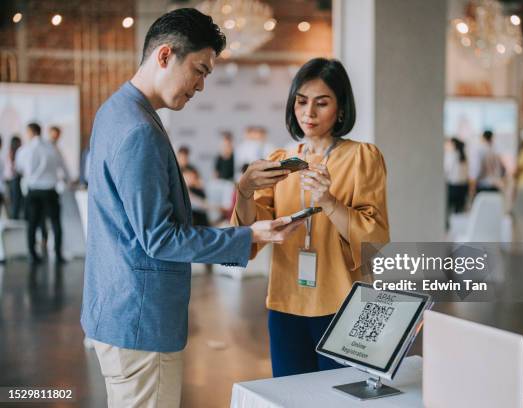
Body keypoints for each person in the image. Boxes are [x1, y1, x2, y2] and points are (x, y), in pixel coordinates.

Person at [80, 9, 302, 408]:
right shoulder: (139, 130)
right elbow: (159, 238)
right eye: (199, 70)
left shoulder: (116, 110)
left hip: (116, 309)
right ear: (165, 56)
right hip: (141, 321)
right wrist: (249, 236)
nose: (200, 86)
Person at [232, 58, 390, 377]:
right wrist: (245, 192)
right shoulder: (280, 162)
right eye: (301, 102)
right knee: (290, 396)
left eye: (322, 103)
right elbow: (250, 233)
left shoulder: (362, 157)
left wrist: (329, 202)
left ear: (341, 108)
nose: (309, 113)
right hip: (285, 304)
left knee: (339, 399)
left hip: (344, 303)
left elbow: (374, 239)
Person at [15, 122, 69, 264]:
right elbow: (63, 167)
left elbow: (19, 168)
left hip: (34, 191)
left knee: (32, 224)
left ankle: (33, 255)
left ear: (30, 132)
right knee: (55, 223)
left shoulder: (24, 150)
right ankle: (58, 255)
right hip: (50, 191)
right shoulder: (52, 148)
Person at [468, 130, 504, 202]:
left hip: (483, 185)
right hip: (495, 185)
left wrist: (472, 185)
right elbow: (500, 169)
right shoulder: (495, 150)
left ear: (483, 137)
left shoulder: (480, 149)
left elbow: (477, 169)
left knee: (483, 210)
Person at [444, 137, 469, 214]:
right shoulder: (464, 156)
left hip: (453, 186)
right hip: (463, 186)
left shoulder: (452, 155)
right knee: (459, 212)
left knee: (450, 211)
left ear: (453, 144)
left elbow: (447, 170)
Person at [5, 135, 23, 219]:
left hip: (9, 179)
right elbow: (15, 168)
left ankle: (14, 216)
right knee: (16, 198)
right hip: (15, 178)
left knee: (13, 198)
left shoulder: (10, 152)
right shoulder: (15, 153)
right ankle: (15, 216)